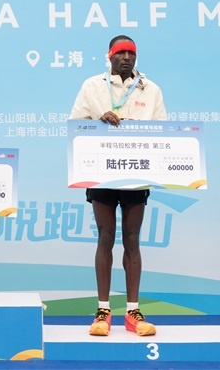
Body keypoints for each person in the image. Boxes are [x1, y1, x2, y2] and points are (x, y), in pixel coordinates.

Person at [69, 35, 164, 337]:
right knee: (105, 237)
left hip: (136, 172)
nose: (126, 58)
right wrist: (98, 120)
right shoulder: (92, 86)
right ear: (109, 56)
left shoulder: (151, 89)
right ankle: (103, 310)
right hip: (102, 172)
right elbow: (75, 124)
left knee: (132, 239)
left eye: (131, 53)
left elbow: (162, 130)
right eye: (120, 53)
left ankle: (133, 311)